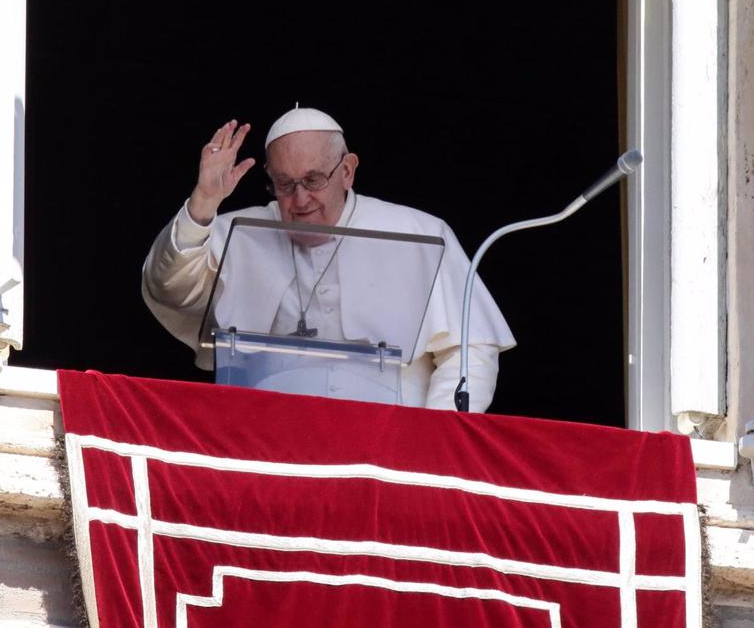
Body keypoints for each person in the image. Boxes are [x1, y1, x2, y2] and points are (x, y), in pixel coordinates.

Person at [142, 107, 515, 412]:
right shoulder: (239, 232)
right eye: (285, 185)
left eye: (314, 180)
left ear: (348, 171)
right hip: (267, 438)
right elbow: (168, 286)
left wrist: (430, 442)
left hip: (388, 440)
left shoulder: (419, 233)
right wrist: (204, 202)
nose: (300, 200)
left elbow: (470, 350)